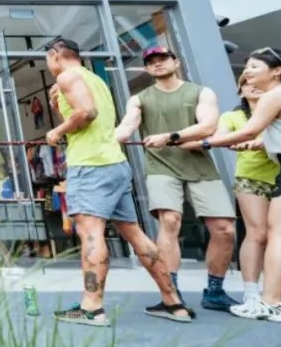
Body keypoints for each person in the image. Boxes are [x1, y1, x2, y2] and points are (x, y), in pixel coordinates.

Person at [45, 38, 190, 327]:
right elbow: (87, 115)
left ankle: (92, 307)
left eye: (48, 59)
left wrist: (56, 131)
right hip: (114, 163)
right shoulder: (94, 79)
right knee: (135, 234)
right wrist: (57, 104)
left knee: (90, 233)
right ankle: (173, 303)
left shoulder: (67, 77)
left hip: (90, 164)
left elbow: (87, 113)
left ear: (55, 55)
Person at [113, 45, 237, 311]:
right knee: (169, 221)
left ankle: (215, 292)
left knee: (224, 229)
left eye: (163, 58)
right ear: (147, 68)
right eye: (151, 61)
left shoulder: (201, 92)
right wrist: (110, 139)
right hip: (161, 166)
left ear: (176, 62)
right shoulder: (139, 98)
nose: (157, 63)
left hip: (199, 166)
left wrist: (170, 137)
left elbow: (208, 126)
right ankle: (171, 291)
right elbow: (128, 124)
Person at [193, 47, 281, 323]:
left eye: (254, 66)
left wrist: (203, 142)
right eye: (247, 66)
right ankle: (270, 300)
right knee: (280, 234)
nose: (247, 71)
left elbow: (249, 131)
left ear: (277, 71)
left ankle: (273, 302)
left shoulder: (276, 95)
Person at [177, 72, 279, 311]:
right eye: (246, 84)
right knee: (257, 234)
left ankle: (276, 290)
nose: (253, 87)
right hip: (252, 178)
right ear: (240, 91)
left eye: (256, 83)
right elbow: (221, 135)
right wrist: (230, 141)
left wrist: (261, 142)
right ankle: (251, 292)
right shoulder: (233, 116)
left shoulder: (280, 112)